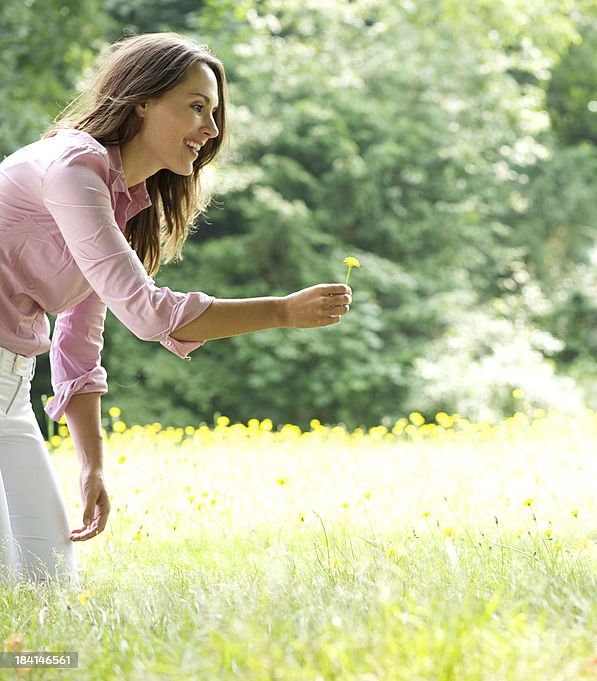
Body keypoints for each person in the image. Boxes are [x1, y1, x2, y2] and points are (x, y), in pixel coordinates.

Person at [0, 33, 352, 582]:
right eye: (196, 107)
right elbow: (146, 313)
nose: (210, 130)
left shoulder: (116, 203)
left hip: (10, 390)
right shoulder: (73, 168)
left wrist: (91, 466)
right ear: (142, 98)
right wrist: (281, 312)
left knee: (48, 584)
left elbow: (76, 346)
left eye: (213, 113)